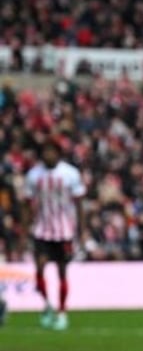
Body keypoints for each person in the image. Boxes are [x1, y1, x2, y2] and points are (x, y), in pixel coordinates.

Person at [22, 136, 85, 331]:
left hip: (64, 230)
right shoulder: (33, 175)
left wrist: (80, 230)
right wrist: (25, 228)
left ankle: (62, 312)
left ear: (58, 153)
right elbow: (27, 203)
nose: (48, 155)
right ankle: (47, 304)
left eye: (52, 151)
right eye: (45, 151)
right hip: (42, 229)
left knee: (62, 271)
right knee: (39, 268)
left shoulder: (70, 174)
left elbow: (79, 203)